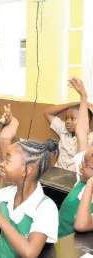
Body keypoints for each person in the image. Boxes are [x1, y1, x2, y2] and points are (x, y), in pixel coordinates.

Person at [0, 107, 59, 258]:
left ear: (26, 170)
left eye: (7, 160)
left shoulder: (46, 208)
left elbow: (30, 252)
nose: (2, 164)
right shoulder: (9, 193)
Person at [58, 78, 93, 237]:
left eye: (86, 165)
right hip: (59, 237)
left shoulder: (87, 180)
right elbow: (81, 133)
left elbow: (80, 224)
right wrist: (83, 96)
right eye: (83, 161)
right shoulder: (83, 175)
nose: (80, 165)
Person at [44, 100, 93, 171]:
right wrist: (72, 104)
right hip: (56, 174)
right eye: (66, 118)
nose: (68, 121)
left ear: (85, 120)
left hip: (75, 177)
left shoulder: (91, 137)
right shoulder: (63, 129)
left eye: (72, 118)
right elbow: (47, 112)